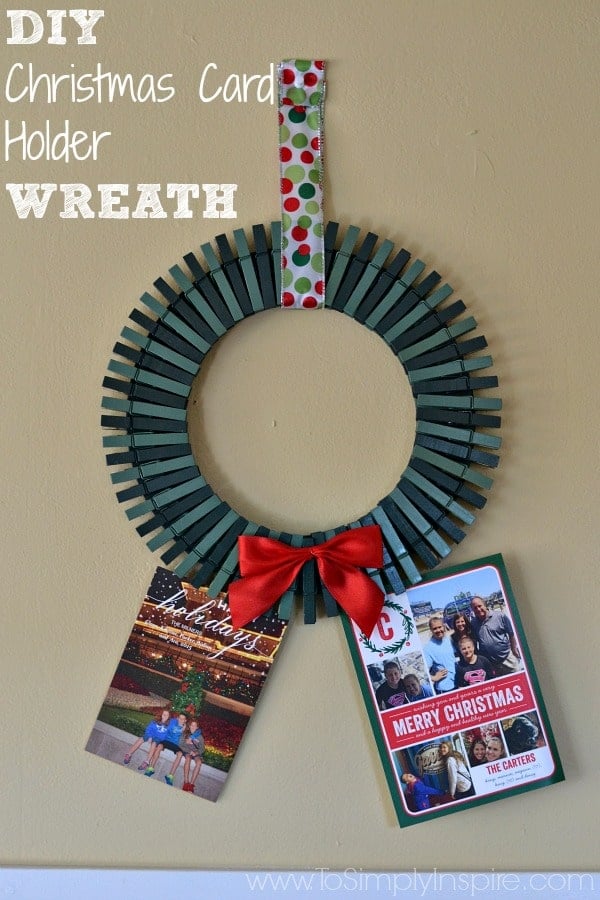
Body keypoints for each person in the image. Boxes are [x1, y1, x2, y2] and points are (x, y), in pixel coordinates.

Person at [470, 596, 521, 676]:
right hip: (491, 665)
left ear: (485, 605)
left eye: (480, 606)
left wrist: (514, 649)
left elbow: (511, 633)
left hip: (508, 659)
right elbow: (474, 642)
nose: (478, 609)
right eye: (475, 608)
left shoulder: (500, 616)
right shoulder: (473, 624)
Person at [143, 712, 187, 783]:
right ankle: (151, 768)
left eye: (183, 719)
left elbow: (187, 740)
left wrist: (184, 732)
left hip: (175, 745)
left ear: (185, 720)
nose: (181, 720)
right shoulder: (172, 721)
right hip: (166, 741)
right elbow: (164, 719)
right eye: (180, 718)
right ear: (177, 718)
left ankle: (170, 776)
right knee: (159, 746)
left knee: (180, 754)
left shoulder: (186, 729)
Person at [423, 617, 457, 693]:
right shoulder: (428, 648)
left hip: (458, 682)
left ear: (444, 626)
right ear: (431, 630)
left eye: (440, 627)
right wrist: (434, 678)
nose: (438, 630)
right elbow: (423, 673)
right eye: (435, 628)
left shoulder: (449, 640)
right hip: (445, 688)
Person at [180, 718, 205, 794]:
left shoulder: (200, 737)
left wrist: (196, 753)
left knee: (199, 762)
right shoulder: (185, 734)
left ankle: (191, 784)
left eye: (195, 726)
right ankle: (186, 781)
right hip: (187, 751)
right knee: (188, 759)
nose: (193, 727)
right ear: (189, 726)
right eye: (191, 725)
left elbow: (202, 749)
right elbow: (181, 745)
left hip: (196, 753)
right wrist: (188, 749)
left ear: (197, 727)